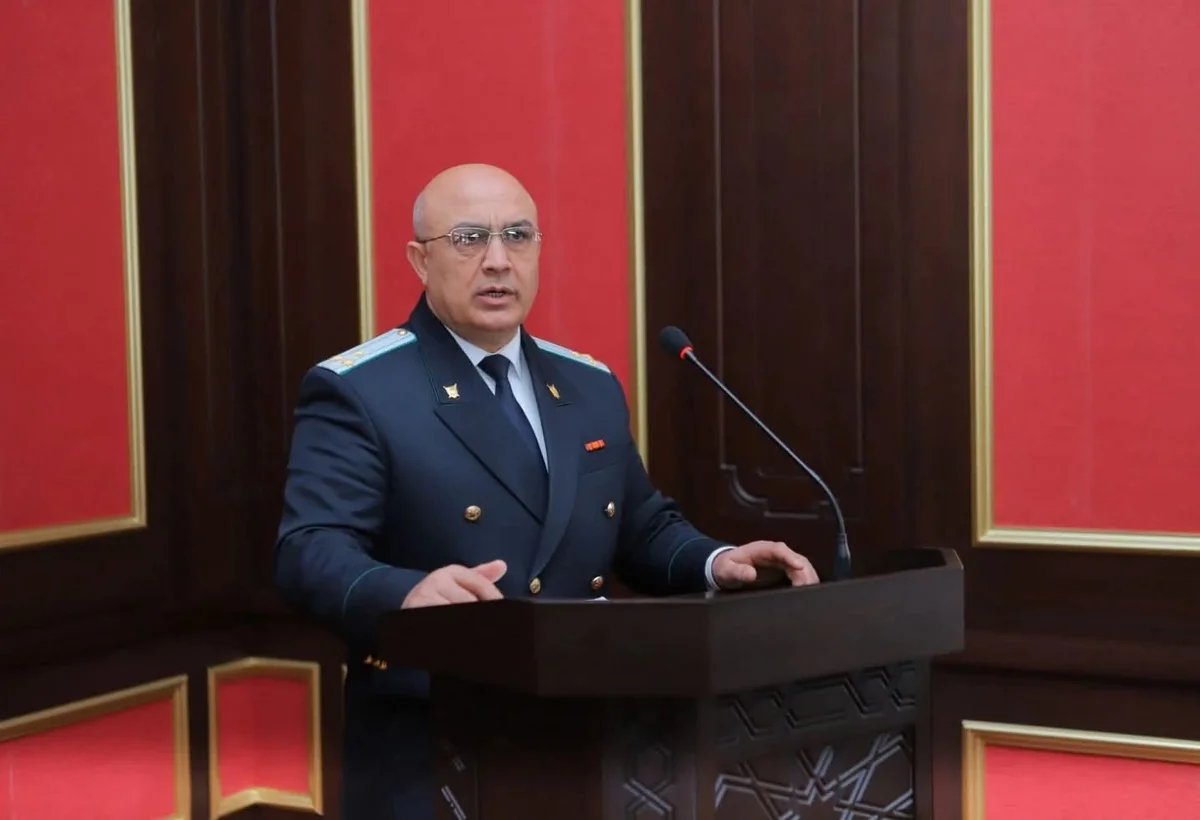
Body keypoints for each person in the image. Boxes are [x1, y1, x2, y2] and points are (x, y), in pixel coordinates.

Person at [273, 163, 820, 819]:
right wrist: (404, 593)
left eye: (517, 236)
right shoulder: (362, 390)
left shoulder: (587, 384)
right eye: (469, 239)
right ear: (420, 260)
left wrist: (716, 560)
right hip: (435, 742)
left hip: (588, 736)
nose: (498, 260)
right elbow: (309, 549)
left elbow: (641, 528)